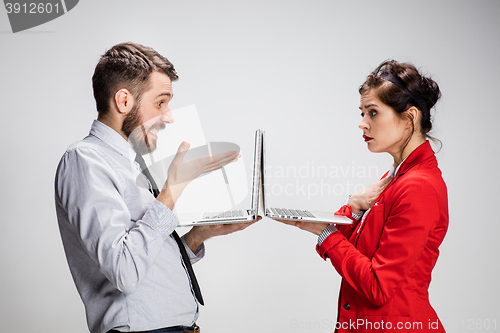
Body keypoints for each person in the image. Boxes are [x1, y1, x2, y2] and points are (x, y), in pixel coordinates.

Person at [55, 42, 259, 333]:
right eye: (160, 102)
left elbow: (145, 265)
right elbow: (125, 271)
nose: (169, 116)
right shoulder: (85, 160)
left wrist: (197, 237)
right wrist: (172, 189)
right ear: (124, 101)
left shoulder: (130, 162)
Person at [279, 60, 448, 332]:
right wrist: (353, 207)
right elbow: (360, 252)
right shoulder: (395, 177)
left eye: (373, 113)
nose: (362, 124)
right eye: (362, 113)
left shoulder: (418, 187)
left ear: (410, 117)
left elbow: (378, 285)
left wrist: (327, 234)